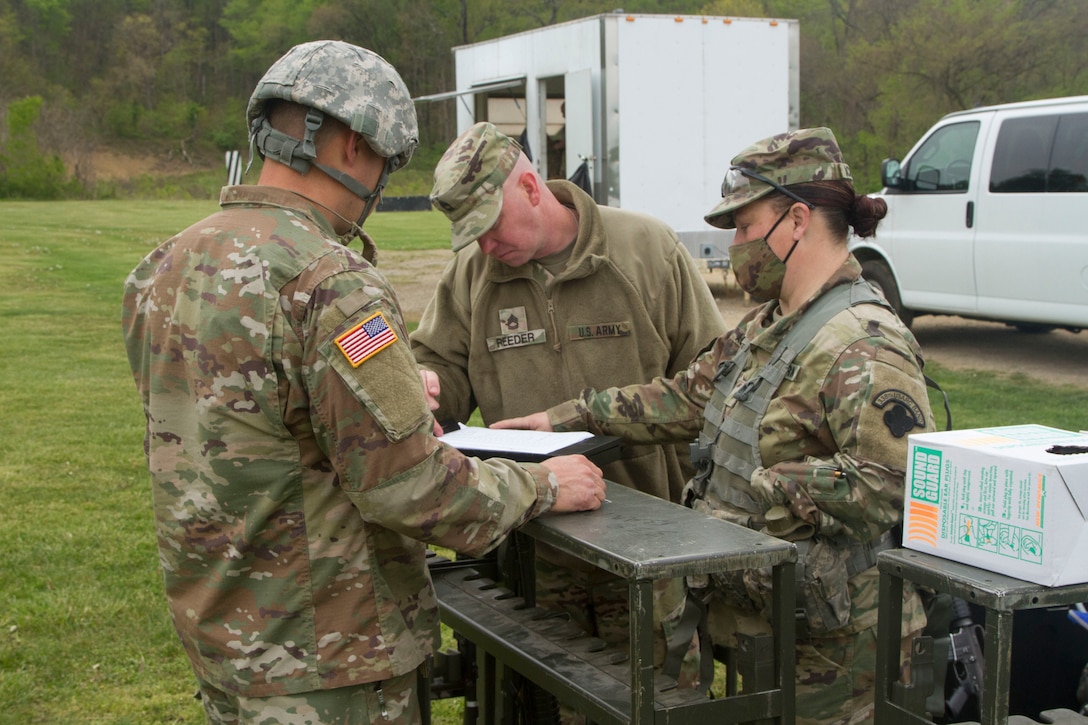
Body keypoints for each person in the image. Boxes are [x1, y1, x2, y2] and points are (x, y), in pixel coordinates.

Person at [120, 41, 606, 725]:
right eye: (385, 161)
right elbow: (409, 485)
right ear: (353, 146)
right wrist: (545, 485)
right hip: (330, 660)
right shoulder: (330, 280)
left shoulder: (162, 267)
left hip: (226, 644)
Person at [494, 127, 935, 725]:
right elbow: (684, 397)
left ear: (798, 220)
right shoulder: (766, 327)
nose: (736, 245)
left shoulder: (863, 342)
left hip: (841, 651)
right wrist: (563, 418)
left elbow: (894, 483)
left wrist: (759, 493)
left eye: (746, 227)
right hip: (771, 626)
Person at [412, 122, 726, 691]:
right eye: (470, 235)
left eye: (489, 226)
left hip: (654, 552)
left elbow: (716, 385)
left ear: (532, 189)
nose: (484, 246)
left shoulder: (645, 250)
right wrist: (430, 381)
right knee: (543, 700)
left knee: (659, 698)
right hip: (532, 545)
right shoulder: (472, 274)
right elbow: (442, 370)